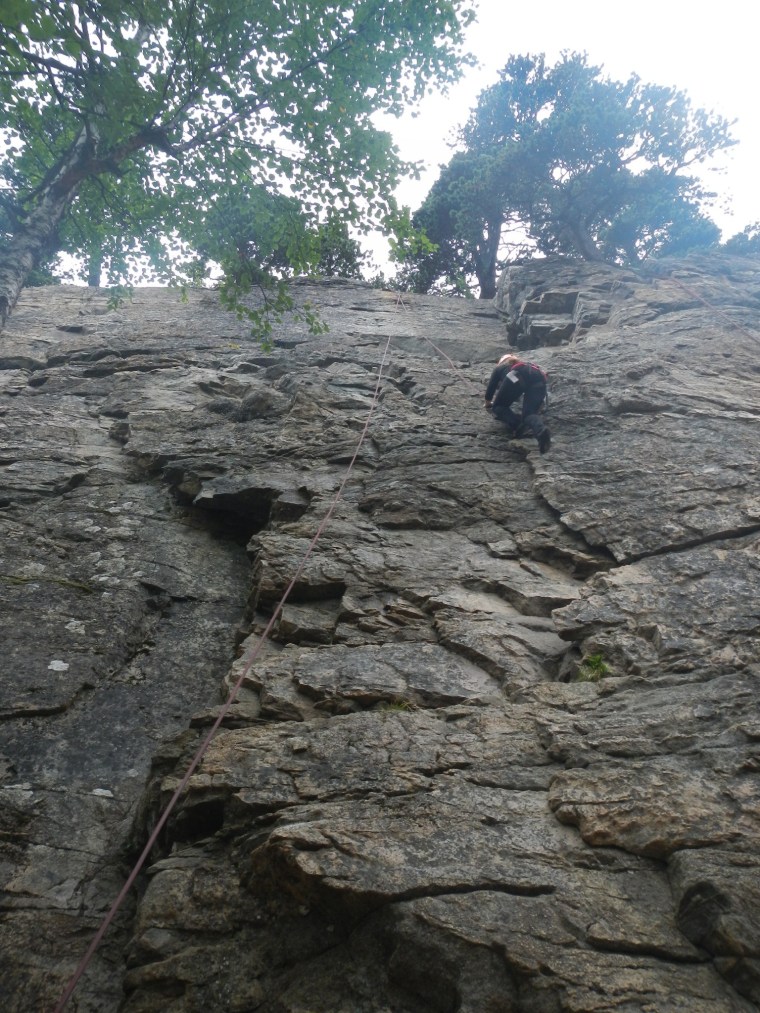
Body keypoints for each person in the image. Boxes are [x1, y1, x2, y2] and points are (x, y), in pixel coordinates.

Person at [485, 353, 551, 454]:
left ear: (502, 361)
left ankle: (518, 425)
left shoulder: (501, 367)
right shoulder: (527, 366)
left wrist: (488, 403)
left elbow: (491, 388)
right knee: (529, 414)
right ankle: (541, 431)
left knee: (498, 407)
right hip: (539, 380)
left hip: (516, 377)